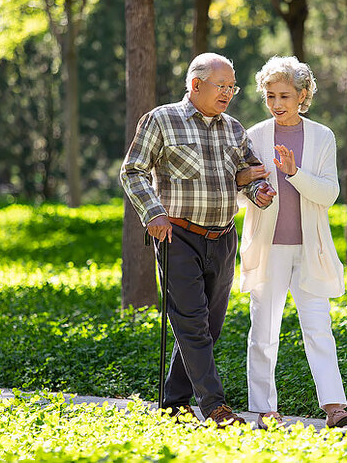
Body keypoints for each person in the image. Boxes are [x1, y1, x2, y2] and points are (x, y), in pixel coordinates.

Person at [120, 52, 276, 428]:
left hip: (222, 238)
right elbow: (133, 171)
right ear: (196, 85)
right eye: (221, 86)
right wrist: (152, 212)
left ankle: (173, 403)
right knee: (191, 324)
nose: (228, 93)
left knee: (209, 326)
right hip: (178, 235)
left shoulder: (233, 128)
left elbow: (248, 174)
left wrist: (260, 191)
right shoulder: (161, 120)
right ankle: (215, 407)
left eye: (232, 87)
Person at [237, 56, 347, 429]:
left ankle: (334, 406)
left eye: (284, 95)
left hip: (310, 249)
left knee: (318, 327)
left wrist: (294, 173)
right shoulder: (254, 136)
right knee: (264, 330)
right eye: (270, 96)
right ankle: (264, 408)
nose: (276, 104)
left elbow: (329, 193)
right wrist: (254, 191)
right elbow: (241, 192)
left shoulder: (322, 137)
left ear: (303, 95)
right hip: (267, 248)